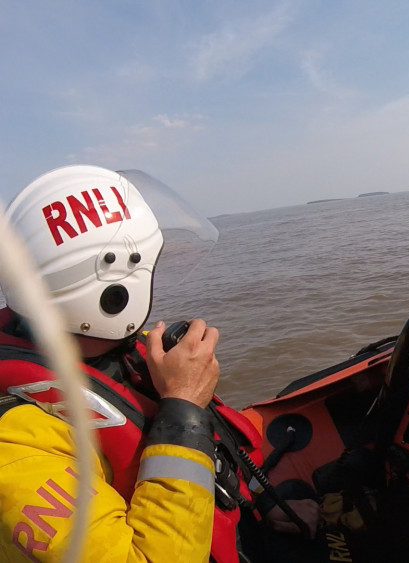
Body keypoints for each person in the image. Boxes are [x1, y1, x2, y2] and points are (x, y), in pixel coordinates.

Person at [0, 165, 320, 562]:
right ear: (112, 293)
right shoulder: (15, 449)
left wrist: (255, 503)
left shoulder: (102, 352)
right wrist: (183, 405)